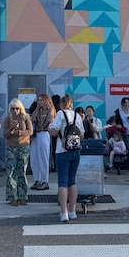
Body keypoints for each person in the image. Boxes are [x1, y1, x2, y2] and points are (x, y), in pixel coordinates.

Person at [48, 94, 84, 222]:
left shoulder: (60, 114)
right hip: (75, 151)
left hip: (62, 151)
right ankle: (72, 211)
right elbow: (82, 134)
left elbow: (54, 131)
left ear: (61, 104)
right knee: (72, 181)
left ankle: (64, 212)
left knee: (62, 182)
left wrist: (50, 125)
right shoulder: (77, 115)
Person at [3, 99, 33, 206]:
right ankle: (12, 197)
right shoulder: (7, 119)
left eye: (17, 108)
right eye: (13, 109)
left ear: (21, 109)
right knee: (11, 171)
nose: (15, 111)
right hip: (11, 147)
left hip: (23, 147)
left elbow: (30, 131)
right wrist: (11, 128)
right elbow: (5, 135)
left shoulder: (26, 118)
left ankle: (22, 196)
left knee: (22, 171)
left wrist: (19, 132)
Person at [30, 93, 55, 191]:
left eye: (42, 100)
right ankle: (37, 179)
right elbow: (32, 118)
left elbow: (50, 120)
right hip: (36, 134)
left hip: (44, 133)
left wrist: (43, 126)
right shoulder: (37, 110)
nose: (40, 102)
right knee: (34, 157)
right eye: (39, 100)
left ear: (46, 100)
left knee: (43, 157)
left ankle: (45, 180)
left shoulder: (50, 110)